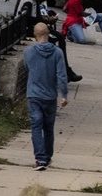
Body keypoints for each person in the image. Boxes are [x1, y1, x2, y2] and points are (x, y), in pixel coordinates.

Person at [24, 22, 68, 170]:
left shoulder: (28, 52)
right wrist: (64, 95)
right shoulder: (57, 53)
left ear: (35, 35)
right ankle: (47, 157)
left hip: (34, 95)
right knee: (48, 128)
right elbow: (61, 75)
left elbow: (27, 68)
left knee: (36, 127)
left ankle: (40, 159)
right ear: (48, 34)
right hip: (50, 96)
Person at [35, 0, 82, 83]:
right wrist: (46, 19)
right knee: (58, 40)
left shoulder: (39, 2)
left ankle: (66, 70)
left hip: (43, 26)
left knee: (60, 39)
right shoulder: (31, 1)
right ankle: (64, 71)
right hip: (38, 28)